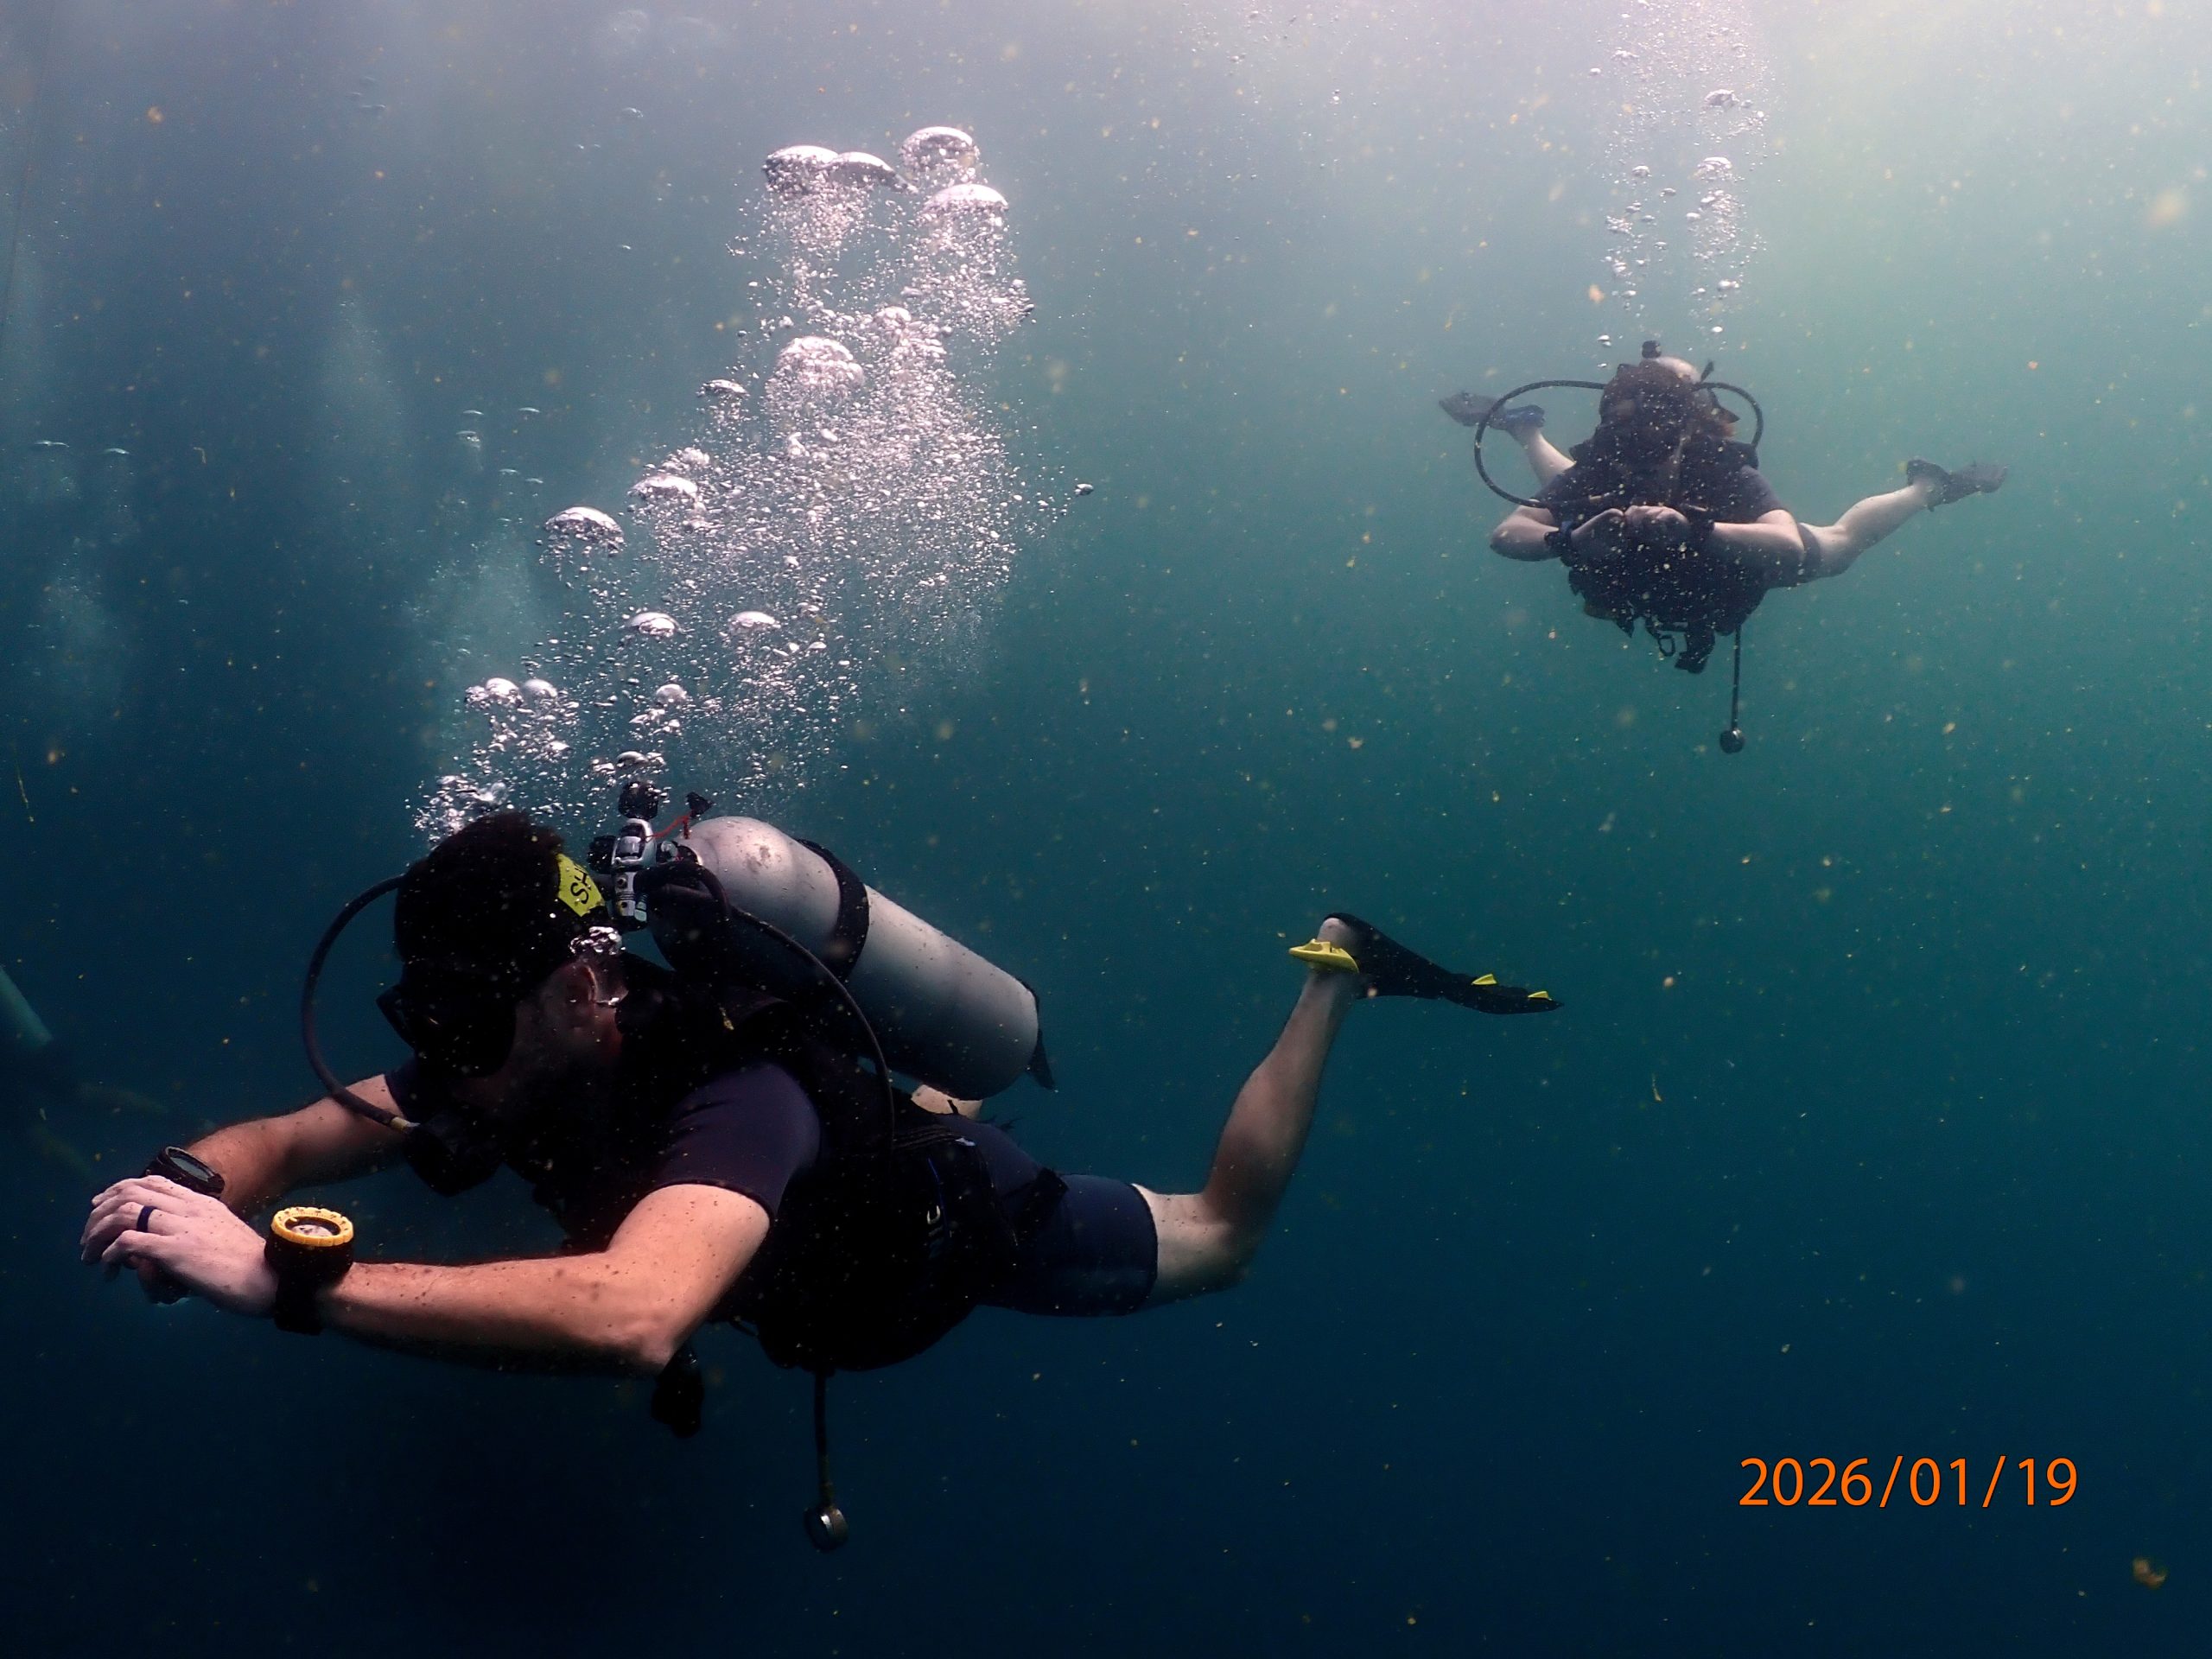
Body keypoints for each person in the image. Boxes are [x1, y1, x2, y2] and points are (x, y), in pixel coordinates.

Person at [82, 811, 1554, 1534]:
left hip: (946, 1235)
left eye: (476, 1019)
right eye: (429, 1023)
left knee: (1222, 1233)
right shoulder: (510, 1059)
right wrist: (185, 1181)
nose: (444, 1061)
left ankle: (1337, 973)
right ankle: (923, 1073)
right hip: (801, 1234)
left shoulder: (734, 1088)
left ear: (593, 988)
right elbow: (288, 1138)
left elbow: (634, 1314)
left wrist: (275, 1275)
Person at [1445, 353, 2005, 673]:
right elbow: (1507, 533)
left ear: (1687, 435)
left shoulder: (1720, 469)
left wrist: (1699, 529)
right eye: (1626, 447)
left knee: (1837, 545)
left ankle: (1927, 489)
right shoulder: (1602, 467)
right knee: (1565, 492)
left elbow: (1786, 546)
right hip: (1627, 573)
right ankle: (1525, 427)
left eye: (1656, 451)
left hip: (1723, 571)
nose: (1640, 471)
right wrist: (1569, 539)